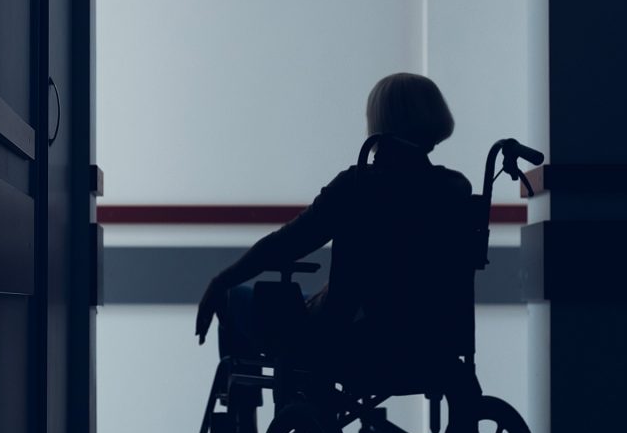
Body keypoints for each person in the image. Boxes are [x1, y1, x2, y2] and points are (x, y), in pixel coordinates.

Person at [194, 72, 475, 397]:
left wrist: (220, 281)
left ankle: (243, 420)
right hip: (433, 342)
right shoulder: (455, 189)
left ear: (380, 121)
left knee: (236, 297)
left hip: (353, 342)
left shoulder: (356, 187)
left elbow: (286, 244)